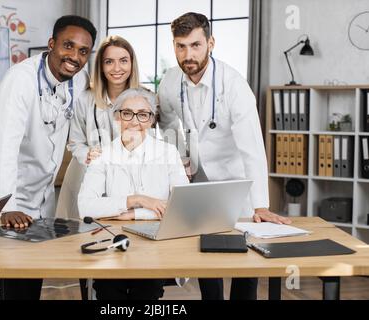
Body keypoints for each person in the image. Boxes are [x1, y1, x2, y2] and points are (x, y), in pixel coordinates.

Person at [157, 12, 291, 300]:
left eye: (195, 45)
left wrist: (261, 205)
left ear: (210, 43)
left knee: (246, 261)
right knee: (207, 258)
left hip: (238, 182)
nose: (187, 54)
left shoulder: (235, 86)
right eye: (180, 46)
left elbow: (253, 149)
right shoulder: (169, 81)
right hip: (201, 182)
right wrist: (182, 158)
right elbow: (166, 122)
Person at [0, 15, 97, 300]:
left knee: (31, 279)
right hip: (13, 198)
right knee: (8, 284)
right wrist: (5, 204)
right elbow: (2, 146)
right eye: (68, 46)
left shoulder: (78, 79)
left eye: (83, 51)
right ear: (51, 44)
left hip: (43, 198)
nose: (75, 56)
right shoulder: (19, 80)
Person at [78, 88, 189, 299]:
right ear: (117, 117)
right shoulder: (102, 155)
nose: (134, 121)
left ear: (151, 120)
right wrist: (138, 200)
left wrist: (135, 214)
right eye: (127, 113)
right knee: (109, 292)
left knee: (147, 292)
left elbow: (180, 208)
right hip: (113, 240)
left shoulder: (168, 153)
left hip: (154, 244)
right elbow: (86, 207)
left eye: (143, 114)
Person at [56, 35, 140, 219]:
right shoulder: (85, 99)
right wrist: (87, 153)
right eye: (109, 62)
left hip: (126, 180)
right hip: (86, 177)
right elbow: (75, 142)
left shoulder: (144, 100)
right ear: (101, 66)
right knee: (77, 237)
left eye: (123, 61)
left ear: (132, 64)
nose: (117, 68)